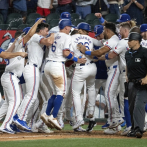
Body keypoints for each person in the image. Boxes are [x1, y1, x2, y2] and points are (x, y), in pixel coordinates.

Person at [41, 19, 86, 130]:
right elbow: (65, 53)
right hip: (57, 65)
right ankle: (54, 117)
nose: (70, 29)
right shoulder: (67, 37)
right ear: (66, 27)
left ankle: (46, 114)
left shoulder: (54, 35)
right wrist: (76, 59)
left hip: (48, 65)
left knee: (55, 93)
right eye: (70, 27)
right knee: (61, 93)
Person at [78, 22, 122, 134]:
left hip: (115, 69)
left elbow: (99, 52)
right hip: (113, 68)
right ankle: (116, 122)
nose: (102, 33)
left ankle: (115, 120)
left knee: (108, 94)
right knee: (110, 95)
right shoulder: (113, 39)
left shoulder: (113, 40)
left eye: (103, 30)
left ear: (107, 30)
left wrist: (85, 51)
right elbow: (101, 52)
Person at [13, 20, 55, 131]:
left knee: (30, 96)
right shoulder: (36, 36)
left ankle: (17, 117)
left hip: (33, 68)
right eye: (46, 30)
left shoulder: (36, 38)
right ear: (40, 30)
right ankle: (20, 118)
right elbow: (49, 42)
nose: (47, 32)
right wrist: (54, 34)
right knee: (31, 96)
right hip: (32, 68)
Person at [106, 22, 132, 136]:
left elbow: (111, 55)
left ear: (126, 31)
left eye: (121, 30)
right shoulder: (137, 42)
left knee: (124, 100)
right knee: (131, 99)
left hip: (125, 74)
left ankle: (129, 125)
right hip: (135, 73)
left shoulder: (122, 42)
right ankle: (132, 124)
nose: (119, 33)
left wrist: (104, 55)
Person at [125, 32, 147, 138]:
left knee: (138, 105)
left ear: (137, 41)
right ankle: (134, 129)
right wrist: (126, 76)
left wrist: (146, 78)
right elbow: (128, 66)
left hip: (143, 83)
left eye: (130, 40)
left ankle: (139, 129)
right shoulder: (128, 53)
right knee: (131, 107)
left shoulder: (144, 52)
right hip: (132, 82)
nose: (128, 42)